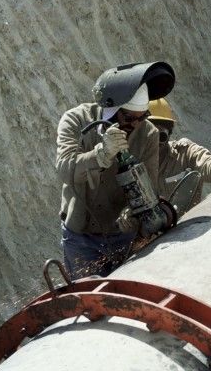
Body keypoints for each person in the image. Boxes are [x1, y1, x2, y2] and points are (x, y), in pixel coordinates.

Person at [56, 61, 176, 278]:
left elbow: (150, 187)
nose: (135, 125)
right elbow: (65, 169)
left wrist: (134, 213)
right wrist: (101, 155)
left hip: (121, 236)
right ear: (111, 109)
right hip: (80, 236)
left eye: (142, 118)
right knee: (86, 299)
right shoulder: (76, 120)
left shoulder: (147, 134)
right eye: (128, 118)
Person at [147, 98, 211, 189]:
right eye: (149, 135)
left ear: (169, 134)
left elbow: (206, 164)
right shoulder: (132, 157)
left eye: (160, 135)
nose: (154, 142)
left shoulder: (184, 154)